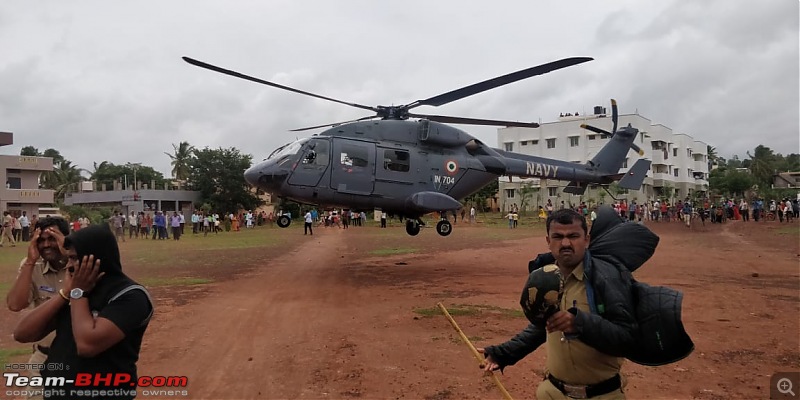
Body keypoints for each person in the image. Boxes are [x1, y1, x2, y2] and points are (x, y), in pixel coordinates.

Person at [479, 209, 636, 399]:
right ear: (548, 241)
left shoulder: (609, 278)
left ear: (586, 240)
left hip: (602, 395)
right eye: (558, 236)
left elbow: (628, 338)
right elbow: (541, 328)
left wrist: (580, 323)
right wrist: (502, 354)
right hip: (553, 393)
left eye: (573, 236)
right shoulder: (547, 279)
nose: (566, 243)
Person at [13, 225, 154, 400]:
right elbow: (22, 333)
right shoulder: (75, 291)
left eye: (73, 258)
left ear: (95, 259)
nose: (69, 266)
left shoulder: (130, 296)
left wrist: (79, 294)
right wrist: (64, 294)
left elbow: (87, 345)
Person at [6, 217, 71, 391]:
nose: (46, 245)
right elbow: (15, 304)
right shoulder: (32, 266)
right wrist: (30, 261)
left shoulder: (82, 262)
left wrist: (70, 254)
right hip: (44, 358)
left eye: (52, 238)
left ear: (66, 238)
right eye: (41, 240)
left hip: (80, 359)